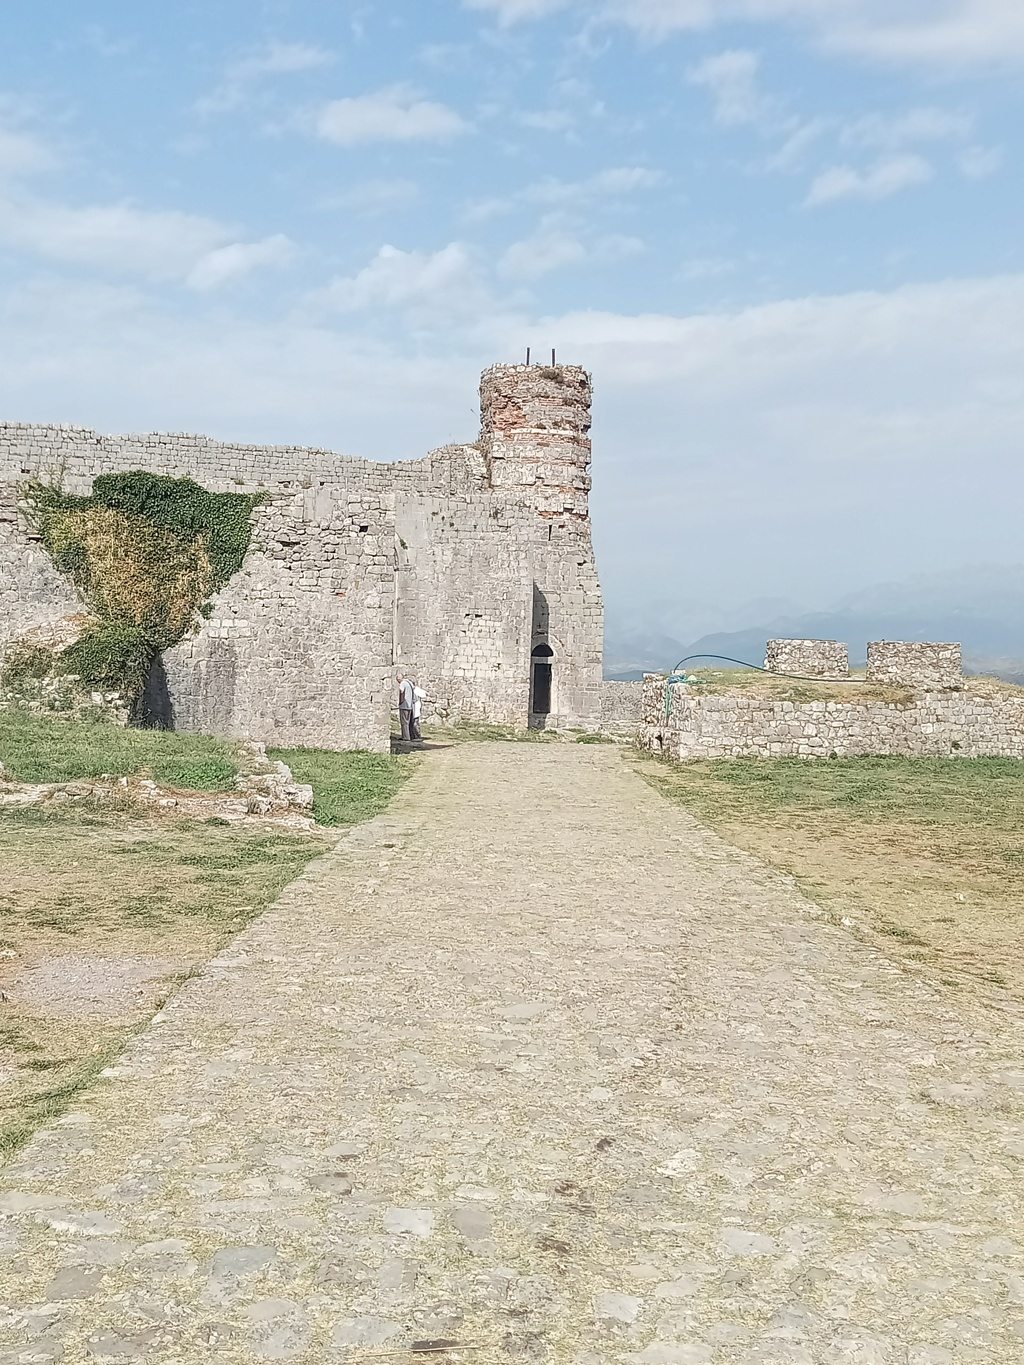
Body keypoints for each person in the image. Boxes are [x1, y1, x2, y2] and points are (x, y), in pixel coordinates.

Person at [396, 672, 415, 742]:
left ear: (399, 679)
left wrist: (400, 701)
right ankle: (409, 736)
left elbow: (401, 692)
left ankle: (406, 737)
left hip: (404, 705)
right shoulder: (409, 683)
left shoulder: (402, 684)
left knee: (404, 722)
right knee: (408, 721)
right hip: (410, 705)